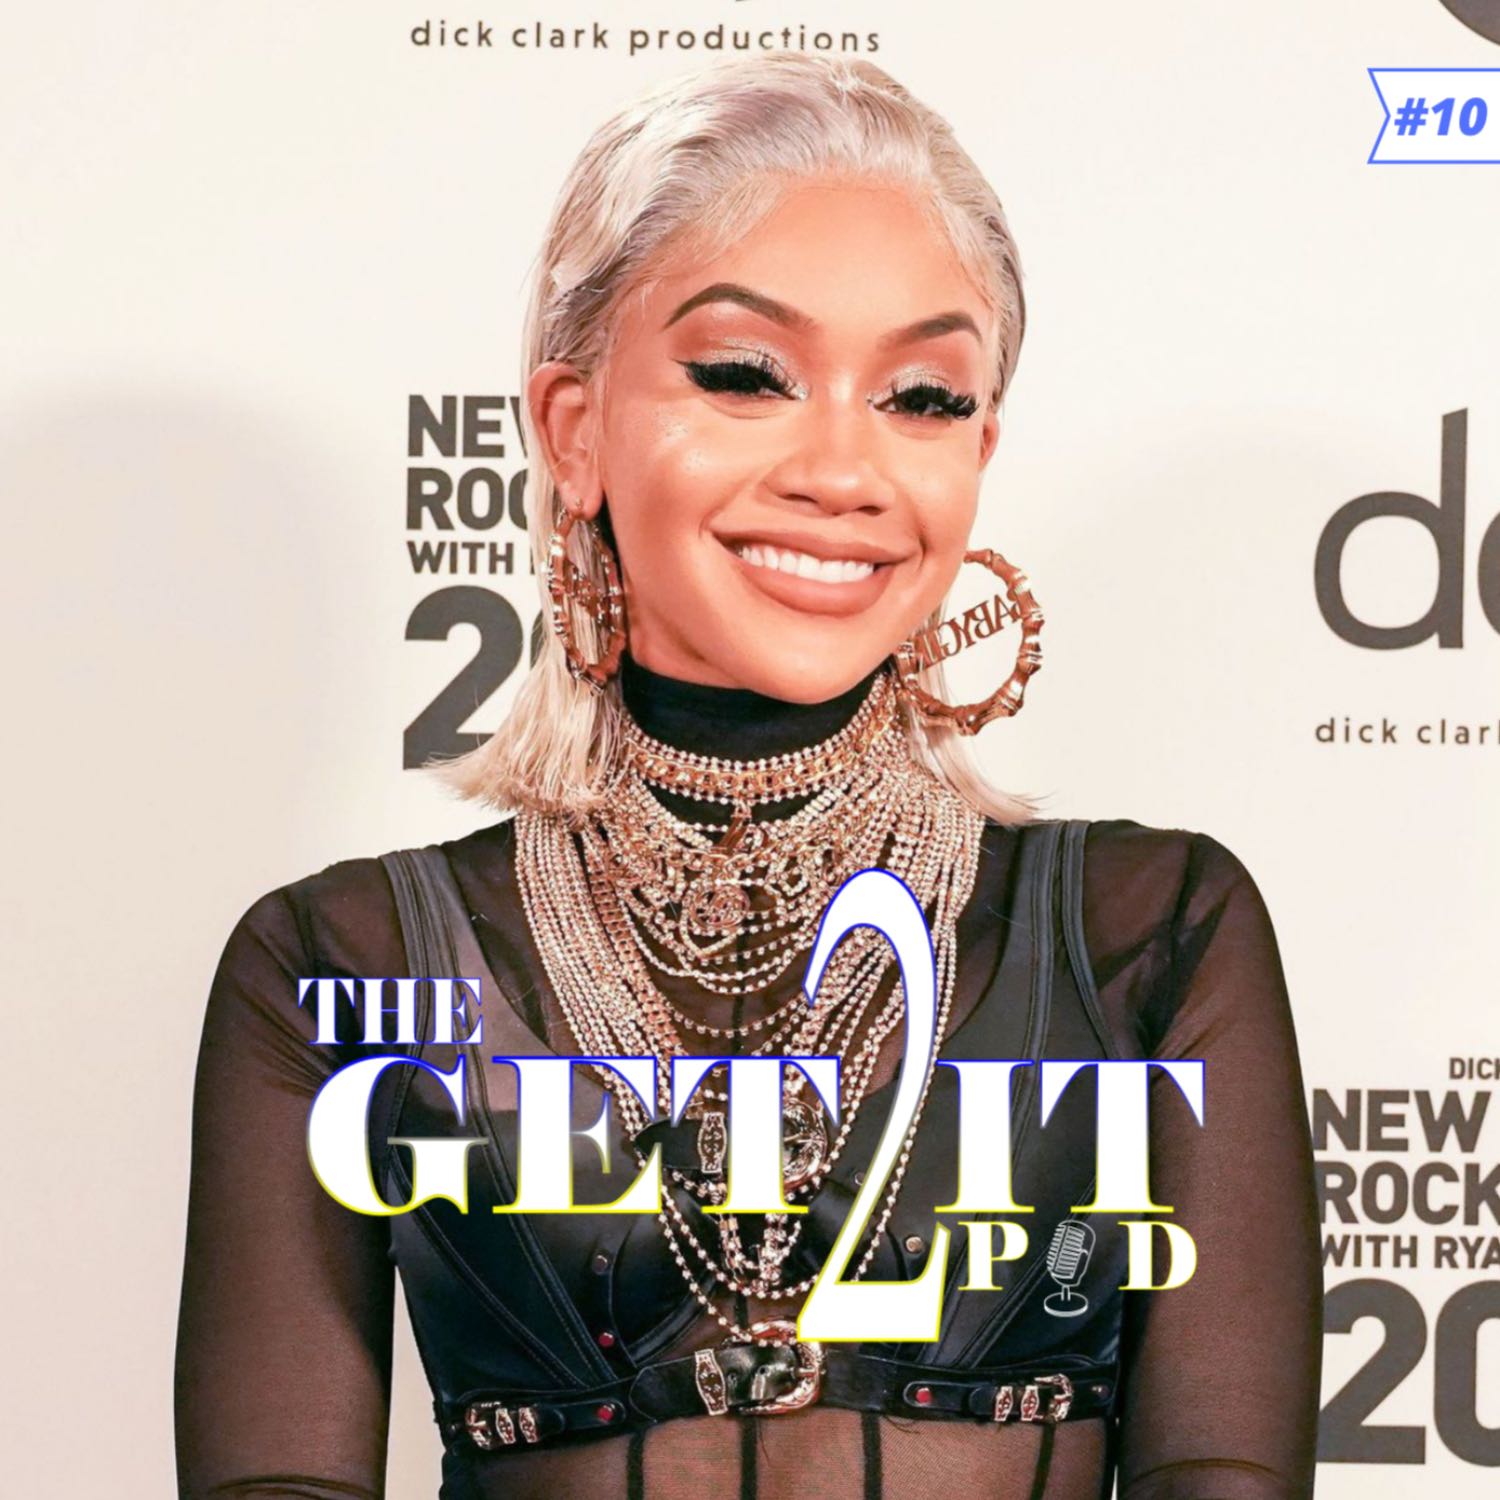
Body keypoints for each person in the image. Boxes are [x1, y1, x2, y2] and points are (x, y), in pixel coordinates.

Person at [174, 52, 1322, 1500]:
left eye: (922, 397)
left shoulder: (1152, 932)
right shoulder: (338, 965)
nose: (843, 469)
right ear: (573, 429)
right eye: (743, 376)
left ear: (981, 450)